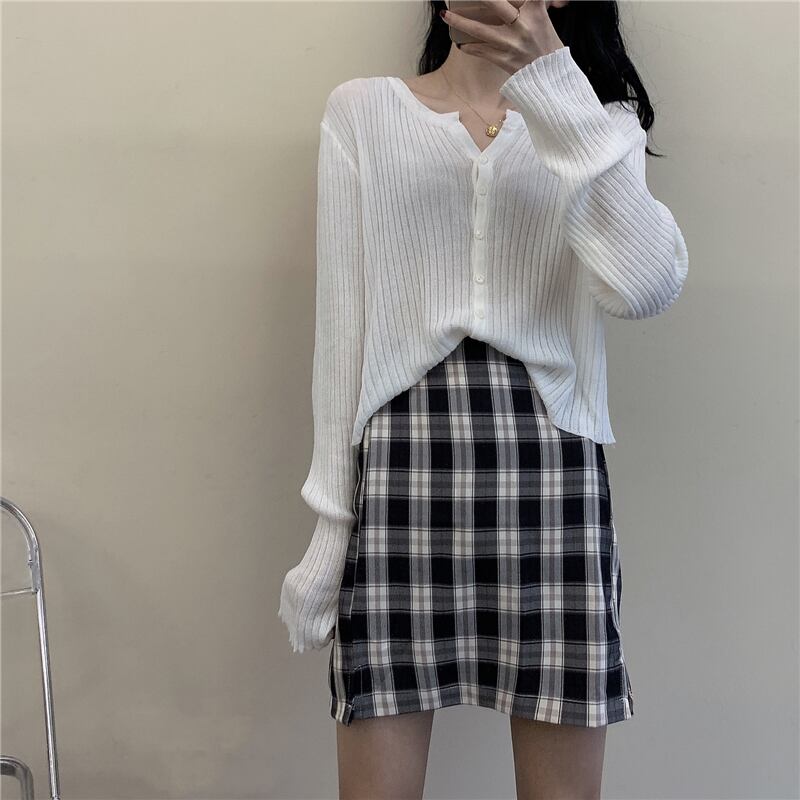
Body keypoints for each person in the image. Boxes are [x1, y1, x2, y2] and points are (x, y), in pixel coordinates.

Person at [279, 0, 689, 796]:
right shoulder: (363, 111)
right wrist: (330, 528)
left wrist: (554, 85)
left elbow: (644, 288)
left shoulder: (598, 125)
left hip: (551, 476)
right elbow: (342, 331)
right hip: (399, 477)